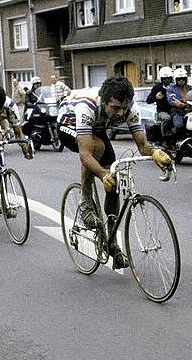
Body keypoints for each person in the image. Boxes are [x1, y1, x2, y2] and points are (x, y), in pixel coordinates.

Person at [56, 76, 172, 269]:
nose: (122, 113)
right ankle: (86, 203)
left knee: (115, 178)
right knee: (95, 149)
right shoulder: (88, 106)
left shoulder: (128, 108)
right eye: (116, 108)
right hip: (68, 122)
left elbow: (143, 146)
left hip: (98, 126)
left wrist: (156, 153)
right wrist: (102, 175)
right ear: (104, 101)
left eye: (125, 108)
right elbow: (85, 155)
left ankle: (112, 242)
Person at [166, 67, 192, 139]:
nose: (181, 81)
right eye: (179, 79)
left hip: (191, 112)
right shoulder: (171, 88)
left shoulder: (190, 88)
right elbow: (171, 98)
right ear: (175, 79)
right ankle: (177, 140)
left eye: (183, 79)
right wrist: (176, 103)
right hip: (178, 112)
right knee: (179, 125)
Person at [146, 66, 174, 141]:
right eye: (165, 78)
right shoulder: (157, 88)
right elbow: (148, 100)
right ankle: (165, 138)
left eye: (169, 78)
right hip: (162, 111)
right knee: (167, 118)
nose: (167, 80)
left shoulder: (174, 87)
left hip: (175, 111)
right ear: (162, 79)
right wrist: (155, 97)